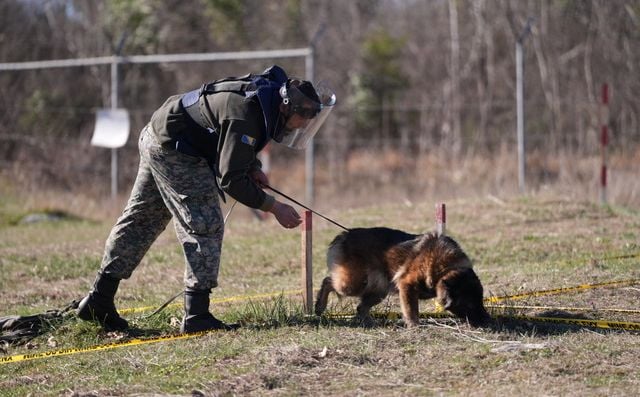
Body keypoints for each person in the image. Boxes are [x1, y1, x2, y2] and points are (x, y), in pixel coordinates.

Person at [77, 65, 336, 333]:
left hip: (160, 135)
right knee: (205, 223)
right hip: (175, 149)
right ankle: (197, 315)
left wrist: (253, 167)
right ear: (287, 108)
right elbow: (230, 179)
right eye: (303, 118)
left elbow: (231, 141)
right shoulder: (247, 112)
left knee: (141, 220)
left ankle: (99, 299)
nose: (304, 125)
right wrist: (274, 207)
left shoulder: (264, 102)